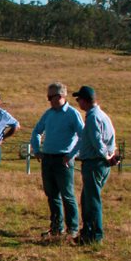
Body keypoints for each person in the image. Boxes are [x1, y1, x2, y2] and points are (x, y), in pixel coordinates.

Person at [30, 82, 84, 239]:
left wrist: (72, 154)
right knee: (52, 194)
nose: (48, 100)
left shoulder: (73, 114)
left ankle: (72, 229)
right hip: (48, 158)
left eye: (50, 97)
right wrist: (37, 150)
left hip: (63, 160)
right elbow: (36, 131)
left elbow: (82, 136)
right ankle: (56, 227)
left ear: (60, 96)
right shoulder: (48, 114)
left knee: (67, 195)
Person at [72, 86, 117, 244]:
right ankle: (88, 232)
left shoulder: (92, 117)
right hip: (100, 163)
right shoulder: (103, 116)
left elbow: (97, 142)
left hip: (94, 163)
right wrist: (111, 155)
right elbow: (110, 140)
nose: (78, 103)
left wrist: (107, 156)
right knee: (87, 199)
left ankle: (95, 236)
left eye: (78, 100)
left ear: (84, 100)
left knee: (92, 201)